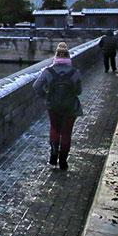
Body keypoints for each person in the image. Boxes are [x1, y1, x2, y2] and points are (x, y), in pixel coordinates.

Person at [33, 42, 82, 170]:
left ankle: (54, 153)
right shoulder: (75, 72)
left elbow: (36, 86)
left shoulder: (48, 71)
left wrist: (46, 96)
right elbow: (79, 91)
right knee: (66, 133)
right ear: (68, 57)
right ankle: (63, 161)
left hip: (53, 106)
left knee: (55, 128)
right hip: (70, 107)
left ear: (56, 57)